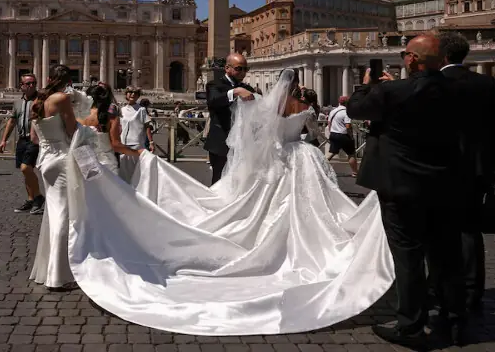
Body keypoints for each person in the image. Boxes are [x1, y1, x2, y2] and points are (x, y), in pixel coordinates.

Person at [59, 68, 393, 336]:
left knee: (278, 209)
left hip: (281, 162)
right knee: (313, 209)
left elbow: (261, 137)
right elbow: (312, 135)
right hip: (303, 159)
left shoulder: (270, 107)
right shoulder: (305, 106)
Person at [347, 34, 466, 348]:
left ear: (412, 59)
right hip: (445, 184)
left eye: (405, 54)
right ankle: (453, 319)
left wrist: (369, 84)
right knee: (446, 255)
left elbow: (356, 110)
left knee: (408, 256)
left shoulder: (393, 91)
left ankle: (411, 326)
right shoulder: (462, 91)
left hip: (401, 186)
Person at [438, 32, 495, 313]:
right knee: (470, 231)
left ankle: (439, 286)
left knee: (435, 230)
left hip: (436, 169)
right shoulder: (489, 83)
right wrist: (493, 168)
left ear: (441, 55)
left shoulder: (431, 83)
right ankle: (471, 289)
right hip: (477, 169)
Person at [29, 64, 79, 290]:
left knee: (53, 212)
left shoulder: (37, 102)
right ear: (68, 81)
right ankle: (58, 277)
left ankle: (48, 268)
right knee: (62, 215)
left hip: (45, 160)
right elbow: (72, 130)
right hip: (60, 159)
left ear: (48, 78)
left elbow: (34, 138)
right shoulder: (62, 99)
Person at [203, 53, 256, 185]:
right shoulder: (214, 84)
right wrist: (235, 92)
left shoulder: (248, 88)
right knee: (219, 181)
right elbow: (214, 101)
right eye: (239, 68)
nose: (243, 72)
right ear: (227, 68)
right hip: (221, 142)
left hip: (242, 144)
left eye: (245, 69)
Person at [0, 74, 45, 214]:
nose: (32, 85)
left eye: (34, 83)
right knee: (25, 172)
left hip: (35, 140)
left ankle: (38, 197)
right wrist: (3, 140)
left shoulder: (41, 100)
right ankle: (31, 200)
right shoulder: (18, 103)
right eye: (29, 83)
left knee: (26, 168)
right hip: (22, 139)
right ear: (22, 85)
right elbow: (12, 121)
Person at [79, 83, 142, 174]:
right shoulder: (110, 117)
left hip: (84, 162)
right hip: (106, 161)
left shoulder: (78, 116)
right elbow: (116, 145)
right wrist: (138, 152)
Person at [117, 86, 154, 183]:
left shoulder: (141, 110)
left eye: (135, 93)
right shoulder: (121, 110)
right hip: (123, 145)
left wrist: (151, 142)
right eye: (130, 92)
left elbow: (147, 127)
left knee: (136, 174)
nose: (133, 94)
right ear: (126, 94)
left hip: (136, 144)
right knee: (123, 174)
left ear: (138, 96)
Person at [325, 96, 359, 177]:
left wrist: (331, 132)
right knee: (351, 154)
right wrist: (350, 135)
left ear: (339, 102)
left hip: (333, 134)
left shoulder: (333, 111)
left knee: (331, 153)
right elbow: (348, 126)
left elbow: (329, 123)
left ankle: (320, 166)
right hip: (344, 135)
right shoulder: (346, 112)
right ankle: (355, 172)